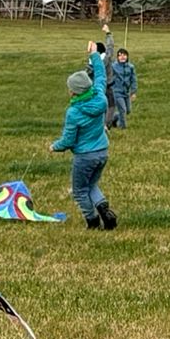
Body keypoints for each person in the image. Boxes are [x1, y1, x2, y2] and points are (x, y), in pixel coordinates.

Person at [50, 31, 115, 229]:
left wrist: (55, 147)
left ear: (75, 91)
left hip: (85, 156)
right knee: (92, 185)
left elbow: (69, 140)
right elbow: (101, 74)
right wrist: (95, 54)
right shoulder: (99, 95)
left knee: (80, 191)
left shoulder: (74, 112)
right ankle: (105, 210)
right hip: (102, 152)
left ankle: (92, 221)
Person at [107, 48, 137, 130]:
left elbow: (133, 80)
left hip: (126, 92)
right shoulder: (114, 66)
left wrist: (133, 92)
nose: (122, 57)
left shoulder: (130, 67)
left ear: (127, 56)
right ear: (117, 57)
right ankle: (122, 127)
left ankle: (113, 118)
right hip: (116, 92)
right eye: (120, 55)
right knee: (122, 109)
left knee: (127, 110)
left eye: (124, 55)